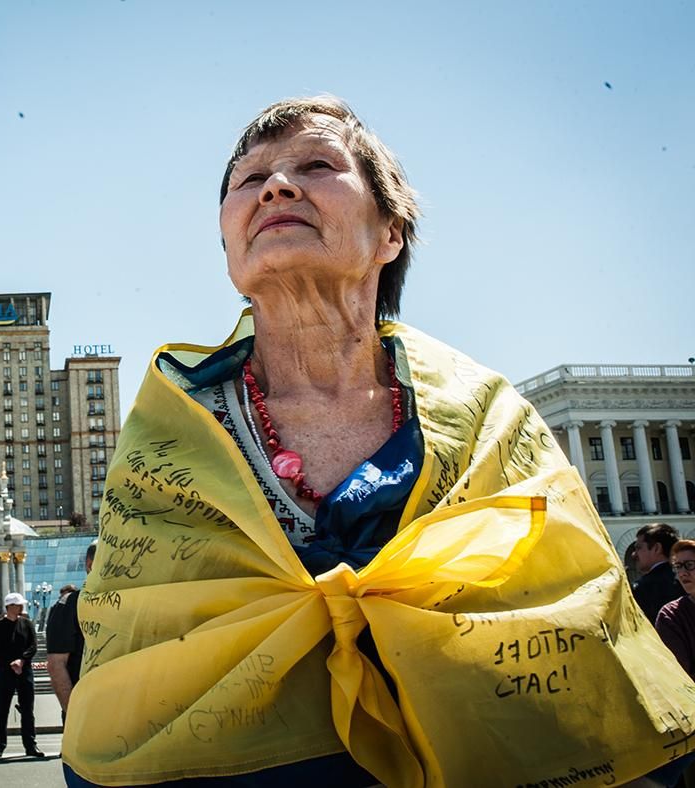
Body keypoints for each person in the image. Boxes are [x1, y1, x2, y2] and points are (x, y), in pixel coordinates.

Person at [60, 95, 695, 788]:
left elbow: (584, 644)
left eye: (317, 164)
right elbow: (126, 658)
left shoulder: (488, 419)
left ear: (390, 232)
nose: (275, 185)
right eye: (249, 179)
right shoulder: (167, 436)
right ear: (230, 248)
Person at [0, 591, 44, 760]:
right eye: (18, 605)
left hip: (25, 670)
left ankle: (30, 745)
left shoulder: (27, 624)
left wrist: (21, 660)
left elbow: (33, 646)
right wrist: (11, 663)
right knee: (1, 710)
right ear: (10, 607)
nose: (21, 607)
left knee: (27, 709)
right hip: (6, 671)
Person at [47, 541, 97, 722]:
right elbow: (56, 664)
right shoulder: (68, 605)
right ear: (90, 565)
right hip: (85, 712)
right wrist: (74, 714)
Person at [658, 540, 695, 680]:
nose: (683, 573)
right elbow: (681, 674)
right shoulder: (671, 615)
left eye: (689, 565)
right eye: (678, 566)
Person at [634, 522, 684, 624]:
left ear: (657, 548)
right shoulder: (686, 581)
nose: (634, 554)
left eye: (639, 548)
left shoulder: (641, 588)